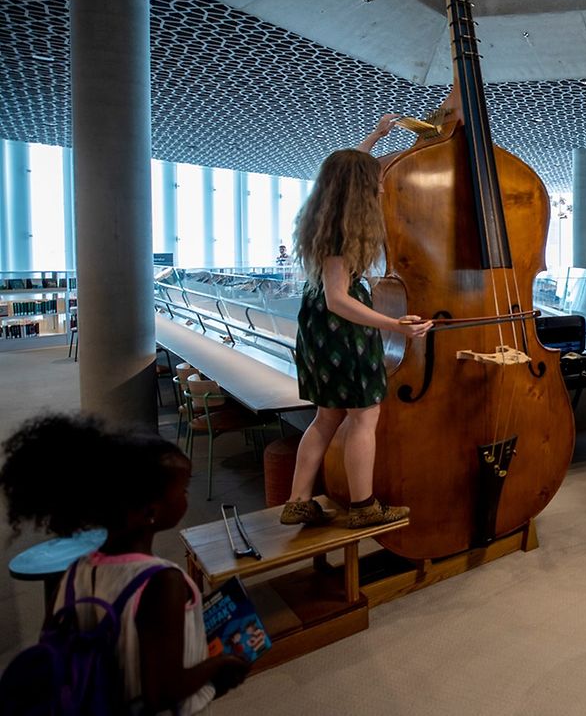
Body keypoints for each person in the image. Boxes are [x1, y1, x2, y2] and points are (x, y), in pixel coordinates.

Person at [0, 413, 250, 713]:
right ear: (150, 513)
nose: (186, 497)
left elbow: (55, 645)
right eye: (182, 491)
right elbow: (163, 692)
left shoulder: (75, 572)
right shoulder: (163, 581)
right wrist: (218, 664)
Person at [282, 113, 433, 529]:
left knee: (327, 416)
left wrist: (376, 135)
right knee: (364, 418)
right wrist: (395, 326)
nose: (381, 184)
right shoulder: (342, 235)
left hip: (317, 330)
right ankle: (363, 507)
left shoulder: (326, 215)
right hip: (341, 333)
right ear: (359, 189)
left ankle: (298, 501)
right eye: (376, 181)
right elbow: (338, 300)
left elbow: (345, 167)